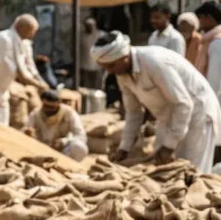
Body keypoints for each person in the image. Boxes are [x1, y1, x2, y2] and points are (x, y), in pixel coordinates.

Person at [93, 31, 221, 173]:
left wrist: (169, 145)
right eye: (106, 67)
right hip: (169, 119)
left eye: (111, 66)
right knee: (165, 171)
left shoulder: (154, 61)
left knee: (193, 172)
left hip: (198, 114)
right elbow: (133, 113)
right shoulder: (122, 75)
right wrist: (124, 148)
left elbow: (183, 103)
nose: (109, 72)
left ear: (124, 56)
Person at [24, 89, 88, 161]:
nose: (48, 110)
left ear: (59, 104)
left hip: (62, 152)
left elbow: (81, 136)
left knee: (80, 147)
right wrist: (28, 132)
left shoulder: (69, 113)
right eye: (46, 106)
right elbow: (25, 130)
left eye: (52, 107)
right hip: (39, 150)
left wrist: (63, 142)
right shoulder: (36, 113)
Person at [195, 0, 221, 98]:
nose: (199, 21)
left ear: (209, 17)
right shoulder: (209, 40)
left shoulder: (216, 42)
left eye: (200, 17)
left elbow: (214, 80)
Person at [79, 17, 104, 89]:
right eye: (87, 26)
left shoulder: (100, 35)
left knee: (97, 88)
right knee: (86, 88)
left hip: (97, 66)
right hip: (84, 66)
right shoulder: (81, 36)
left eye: (90, 26)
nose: (89, 28)